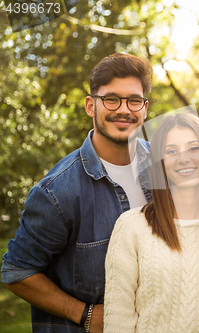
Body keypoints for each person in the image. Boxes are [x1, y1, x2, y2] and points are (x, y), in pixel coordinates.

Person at [1, 53, 153, 333]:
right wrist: (85, 314)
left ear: (144, 108)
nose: (124, 109)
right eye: (111, 99)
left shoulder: (167, 167)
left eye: (133, 100)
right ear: (90, 106)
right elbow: (16, 271)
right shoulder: (58, 191)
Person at [103, 111, 199, 332]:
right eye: (171, 151)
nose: (184, 158)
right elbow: (118, 320)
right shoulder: (131, 227)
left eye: (194, 148)